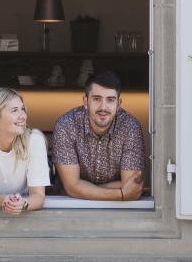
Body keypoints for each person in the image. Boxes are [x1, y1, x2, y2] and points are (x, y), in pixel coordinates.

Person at [52, 70, 145, 201]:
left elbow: (131, 185)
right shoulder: (66, 125)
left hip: (117, 208)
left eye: (110, 100)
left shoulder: (130, 127)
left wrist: (81, 188)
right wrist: (121, 194)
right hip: (71, 205)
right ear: (85, 101)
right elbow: (72, 187)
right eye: (96, 99)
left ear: (119, 104)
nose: (103, 107)